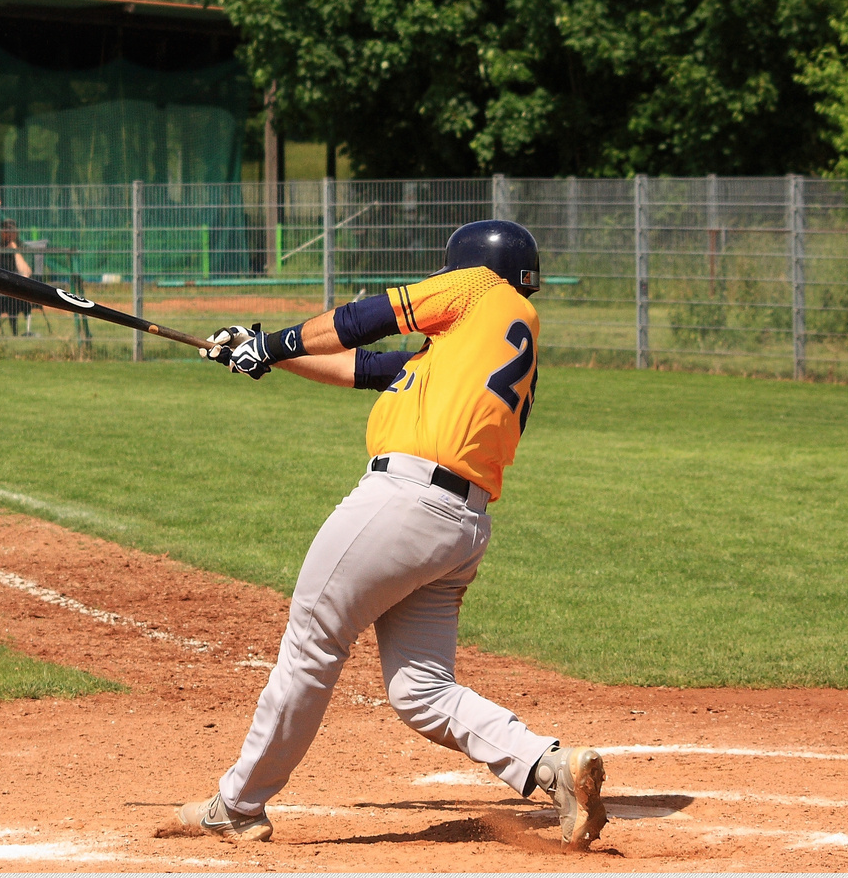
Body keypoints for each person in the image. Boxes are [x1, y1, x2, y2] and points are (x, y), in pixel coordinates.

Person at [173, 219, 608, 848]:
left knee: (312, 642)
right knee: (422, 691)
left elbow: (366, 318)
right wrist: (263, 353)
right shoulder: (482, 344)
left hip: (405, 502)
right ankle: (548, 766)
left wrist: (274, 342)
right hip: (461, 526)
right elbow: (368, 367)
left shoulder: (477, 290)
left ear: (470, 268)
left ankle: (238, 804)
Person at [0, 219, 36, 335]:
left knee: (12, 297)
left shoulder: (22, 248)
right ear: (1, 232)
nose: (8, 234)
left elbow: (26, 272)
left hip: (17, 290)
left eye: (11, 231)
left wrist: (15, 251)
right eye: (6, 231)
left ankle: (14, 331)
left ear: (16, 233)